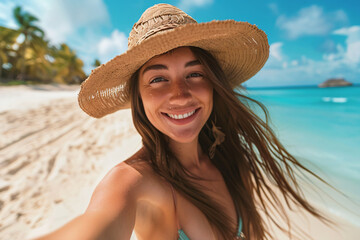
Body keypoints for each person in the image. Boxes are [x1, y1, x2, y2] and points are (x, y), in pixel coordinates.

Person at [37, 3, 330, 240]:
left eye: (194, 74)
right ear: (138, 97)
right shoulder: (135, 182)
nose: (180, 95)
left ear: (213, 83)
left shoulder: (231, 161)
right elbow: (96, 225)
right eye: (158, 79)